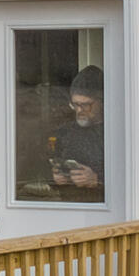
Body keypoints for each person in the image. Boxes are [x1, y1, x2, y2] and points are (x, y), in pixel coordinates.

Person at [45, 64, 106, 196]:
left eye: (85, 105)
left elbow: (131, 178)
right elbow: (42, 169)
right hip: (68, 204)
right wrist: (56, 177)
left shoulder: (114, 132)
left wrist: (97, 179)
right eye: (75, 104)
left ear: (102, 102)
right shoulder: (63, 132)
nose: (79, 110)